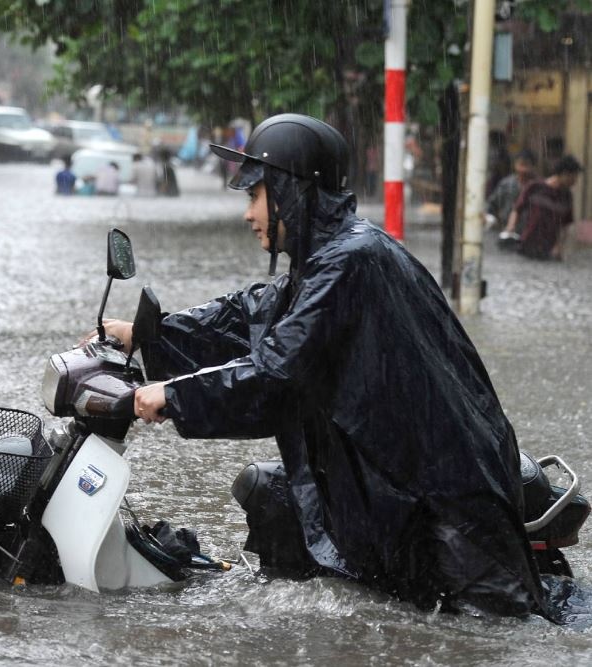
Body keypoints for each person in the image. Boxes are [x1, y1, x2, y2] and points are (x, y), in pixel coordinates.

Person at [102, 113, 550, 619]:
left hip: (446, 502)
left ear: (293, 192)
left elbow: (277, 372)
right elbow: (246, 314)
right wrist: (150, 334)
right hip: (398, 480)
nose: (248, 215)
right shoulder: (325, 260)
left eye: (255, 196)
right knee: (273, 499)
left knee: (480, 638)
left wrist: (174, 395)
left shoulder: (349, 262)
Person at [498, 155, 583, 261]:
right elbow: (517, 209)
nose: (575, 181)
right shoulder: (535, 187)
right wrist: (510, 228)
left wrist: (559, 246)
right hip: (525, 244)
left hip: (547, 250)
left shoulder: (567, 196)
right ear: (565, 174)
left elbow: (565, 225)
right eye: (574, 177)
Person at [485, 149, 537, 232]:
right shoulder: (506, 184)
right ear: (515, 165)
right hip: (505, 230)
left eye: (527, 165)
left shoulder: (538, 187)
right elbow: (491, 204)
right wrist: (490, 219)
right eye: (521, 164)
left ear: (533, 166)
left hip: (528, 233)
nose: (523, 169)